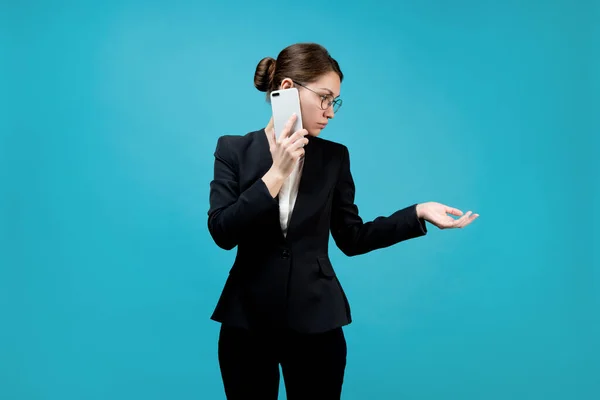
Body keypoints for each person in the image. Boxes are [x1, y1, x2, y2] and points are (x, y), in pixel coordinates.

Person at [207, 42, 479, 400]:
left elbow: (352, 238)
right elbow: (223, 232)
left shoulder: (334, 158)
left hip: (317, 321)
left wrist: (416, 213)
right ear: (287, 90)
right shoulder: (233, 150)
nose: (330, 112)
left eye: (335, 101)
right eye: (324, 97)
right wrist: (276, 174)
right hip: (246, 321)